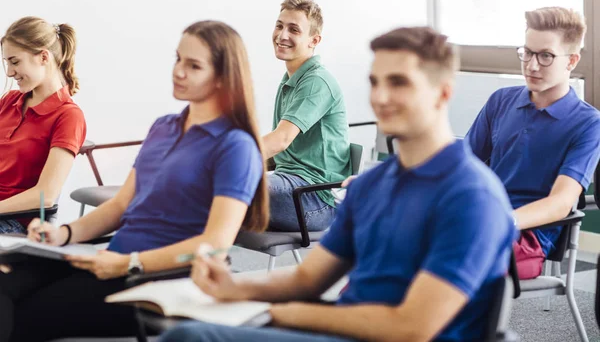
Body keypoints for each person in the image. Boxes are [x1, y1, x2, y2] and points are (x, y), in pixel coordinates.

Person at [160, 26, 516, 342]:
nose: (380, 97)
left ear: (442, 93)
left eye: (399, 83)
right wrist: (234, 287)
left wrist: (287, 315)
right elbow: (307, 281)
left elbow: (411, 329)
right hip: (343, 328)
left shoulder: (472, 197)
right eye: (375, 82)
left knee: (192, 337)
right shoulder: (371, 184)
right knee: (184, 332)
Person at [0, 20, 269, 342]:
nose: (179, 71)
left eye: (193, 65)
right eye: (178, 59)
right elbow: (120, 205)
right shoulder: (164, 127)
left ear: (224, 77)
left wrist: (131, 262)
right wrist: (64, 233)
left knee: (22, 315)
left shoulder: (236, 146)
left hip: (156, 277)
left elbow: (216, 245)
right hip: (110, 259)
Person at [466, 7, 600, 279]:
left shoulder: (589, 123)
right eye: (527, 52)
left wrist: (502, 221)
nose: (532, 65)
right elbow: (456, 163)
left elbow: (561, 203)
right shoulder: (501, 100)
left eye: (546, 56)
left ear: (571, 61)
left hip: (527, 238)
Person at [263, 0, 350, 232]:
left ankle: (185, 261)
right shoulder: (291, 80)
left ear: (314, 40)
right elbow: (279, 152)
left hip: (313, 199)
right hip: (290, 185)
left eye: (294, 29)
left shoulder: (316, 82)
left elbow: (280, 140)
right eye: (279, 25)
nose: (282, 35)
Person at [0, 16, 86, 232]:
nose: (9, 72)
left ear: (43, 57)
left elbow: (46, 195)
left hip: (16, 223)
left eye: (15, 61)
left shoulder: (68, 116)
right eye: (7, 63)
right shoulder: (9, 101)